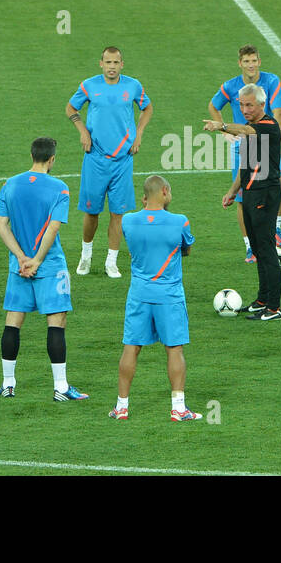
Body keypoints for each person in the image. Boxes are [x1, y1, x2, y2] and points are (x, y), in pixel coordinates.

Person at [0, 137, 88, 401]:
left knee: (13, 321)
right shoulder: (60, 188)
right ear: (52, 159)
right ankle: (60, 387)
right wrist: (36, 260)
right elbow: (53, 227)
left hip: (18, 267)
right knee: (56, 323)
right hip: (51, 265)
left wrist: (22, 258)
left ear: (32, 155)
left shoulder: (9, 185)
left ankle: (8, 384)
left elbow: (1, 225)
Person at [112, 175, 202, 421]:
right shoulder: (179, 222)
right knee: (174, 349)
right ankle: (178, 408)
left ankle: (121, 407)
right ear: (165, 191)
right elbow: (186, 250)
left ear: (143, 197)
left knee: (131, 347)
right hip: (169, 296)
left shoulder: (129, 221)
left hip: (139, 294)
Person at [66, 46, 153, 278]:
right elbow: (71, 107)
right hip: (95, 158)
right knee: (91, 212)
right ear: (101, 64)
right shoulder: (89, 85)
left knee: (118, 213)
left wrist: (139, 133)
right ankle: (86, 255)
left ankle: (111, 261)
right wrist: (82, 130)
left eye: (116, 63)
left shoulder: (133, 85)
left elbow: (147, 108)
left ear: (122, 64)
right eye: (108, 62)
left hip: (123, 159)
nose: (112, 67)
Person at [204, 84, 281, 321]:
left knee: (267, 249)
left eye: (249, 105)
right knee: (258, 248)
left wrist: (222, 126)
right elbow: (245, 166)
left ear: (261, 104)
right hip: (249, 194)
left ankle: (274, 307)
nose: (245, 109)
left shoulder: (268, 126)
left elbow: (248, 132)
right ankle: (262, 300)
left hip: (265, 194)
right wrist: (232, 191)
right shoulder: (249, 130)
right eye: (241, 105)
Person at [209, 44, 281, 263]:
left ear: (259, 62)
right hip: (242, 143)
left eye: (254, 60)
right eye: (246, 61)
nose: (251, 65)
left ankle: (276, 227)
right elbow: (213, 105)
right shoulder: (231, 86)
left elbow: (279, 113)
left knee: (279, 179)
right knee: (243, 195)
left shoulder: (272, 81)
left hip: (268, 141)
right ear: (240, 64)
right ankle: (249, 246)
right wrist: (225, 131)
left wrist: (276, 142)